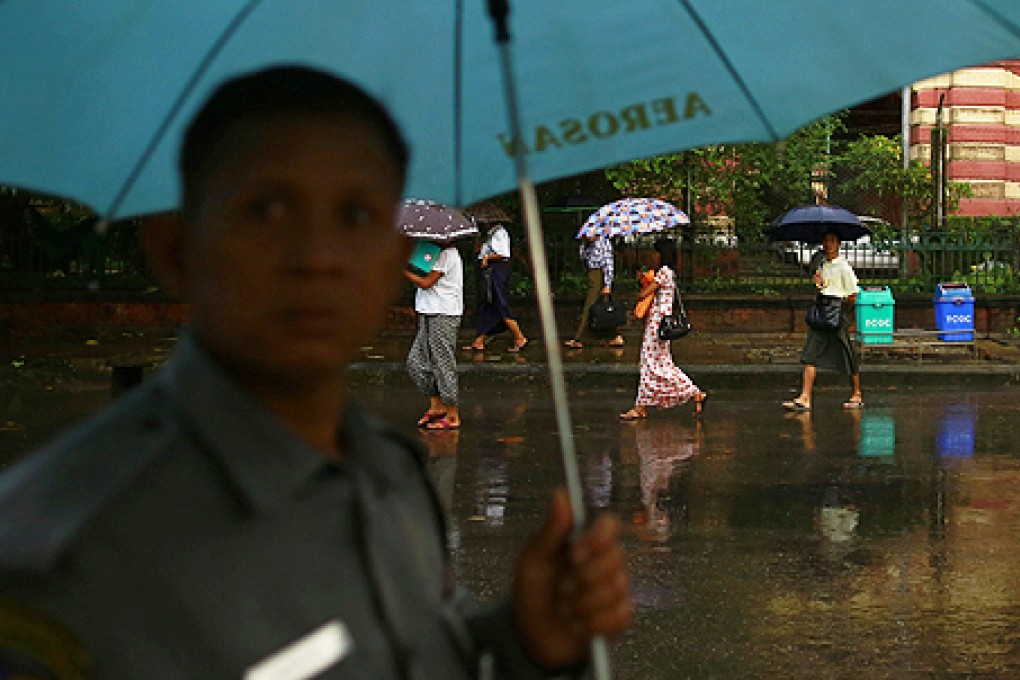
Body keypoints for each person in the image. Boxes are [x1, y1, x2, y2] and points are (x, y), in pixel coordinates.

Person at [0, 66, 631, 679]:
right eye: (269, 209)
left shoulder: (390, 475)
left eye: (357, 215)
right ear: (176, 246)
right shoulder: (64, 557)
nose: (319, 256)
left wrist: (524, 644)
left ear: (390, 256)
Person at [619, 238, 708, 420]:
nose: (653, 256)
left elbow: (644, 294)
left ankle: (690, 392)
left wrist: (642, 281)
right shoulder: (669, 273)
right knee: (658, 363)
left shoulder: (664, 273)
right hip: (661, 322)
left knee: (651, 362)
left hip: (657, 323)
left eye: (656, 252)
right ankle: (643, 404)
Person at [783, 228, 863, 411]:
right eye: (826, 240)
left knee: (847, 353)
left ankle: (857, 393)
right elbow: (823, 286)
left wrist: (843, 311)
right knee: (810, 354)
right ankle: (805, 397)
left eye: (832, 241)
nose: (828, 244)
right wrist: (819, 285)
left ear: (839, 244)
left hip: (837, 309)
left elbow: (853, 294)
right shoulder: (822, 264)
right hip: (822, 309)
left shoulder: (844, 267)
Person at [404, 241, 463, 430]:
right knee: (417, 361)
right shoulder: (431, 251)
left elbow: (427, 282)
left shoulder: (448, 254)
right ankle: (436, 405)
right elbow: (421, 272)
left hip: (444, 313)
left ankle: (452, 414)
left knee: (442, 362)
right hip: (427, 310)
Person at [464, 223, 528, 353]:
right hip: (491, 272)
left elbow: (504, 253)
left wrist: (487, 257)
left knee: (499, 302)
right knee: (488, 304)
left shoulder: (499, 233)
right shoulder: (491, 234)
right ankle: (479, 340)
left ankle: (519, 337)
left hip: (496, 271)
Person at [564, 234, 625, 350]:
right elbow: (583, 257)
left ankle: (578, 338)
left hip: (599, 275)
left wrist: (607, 284)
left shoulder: (604, 243)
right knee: (601, 309)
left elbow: (609, 264)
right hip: (592, 274)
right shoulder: (590, 244)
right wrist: (583, 244)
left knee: (590, 306)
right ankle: (614, 336)